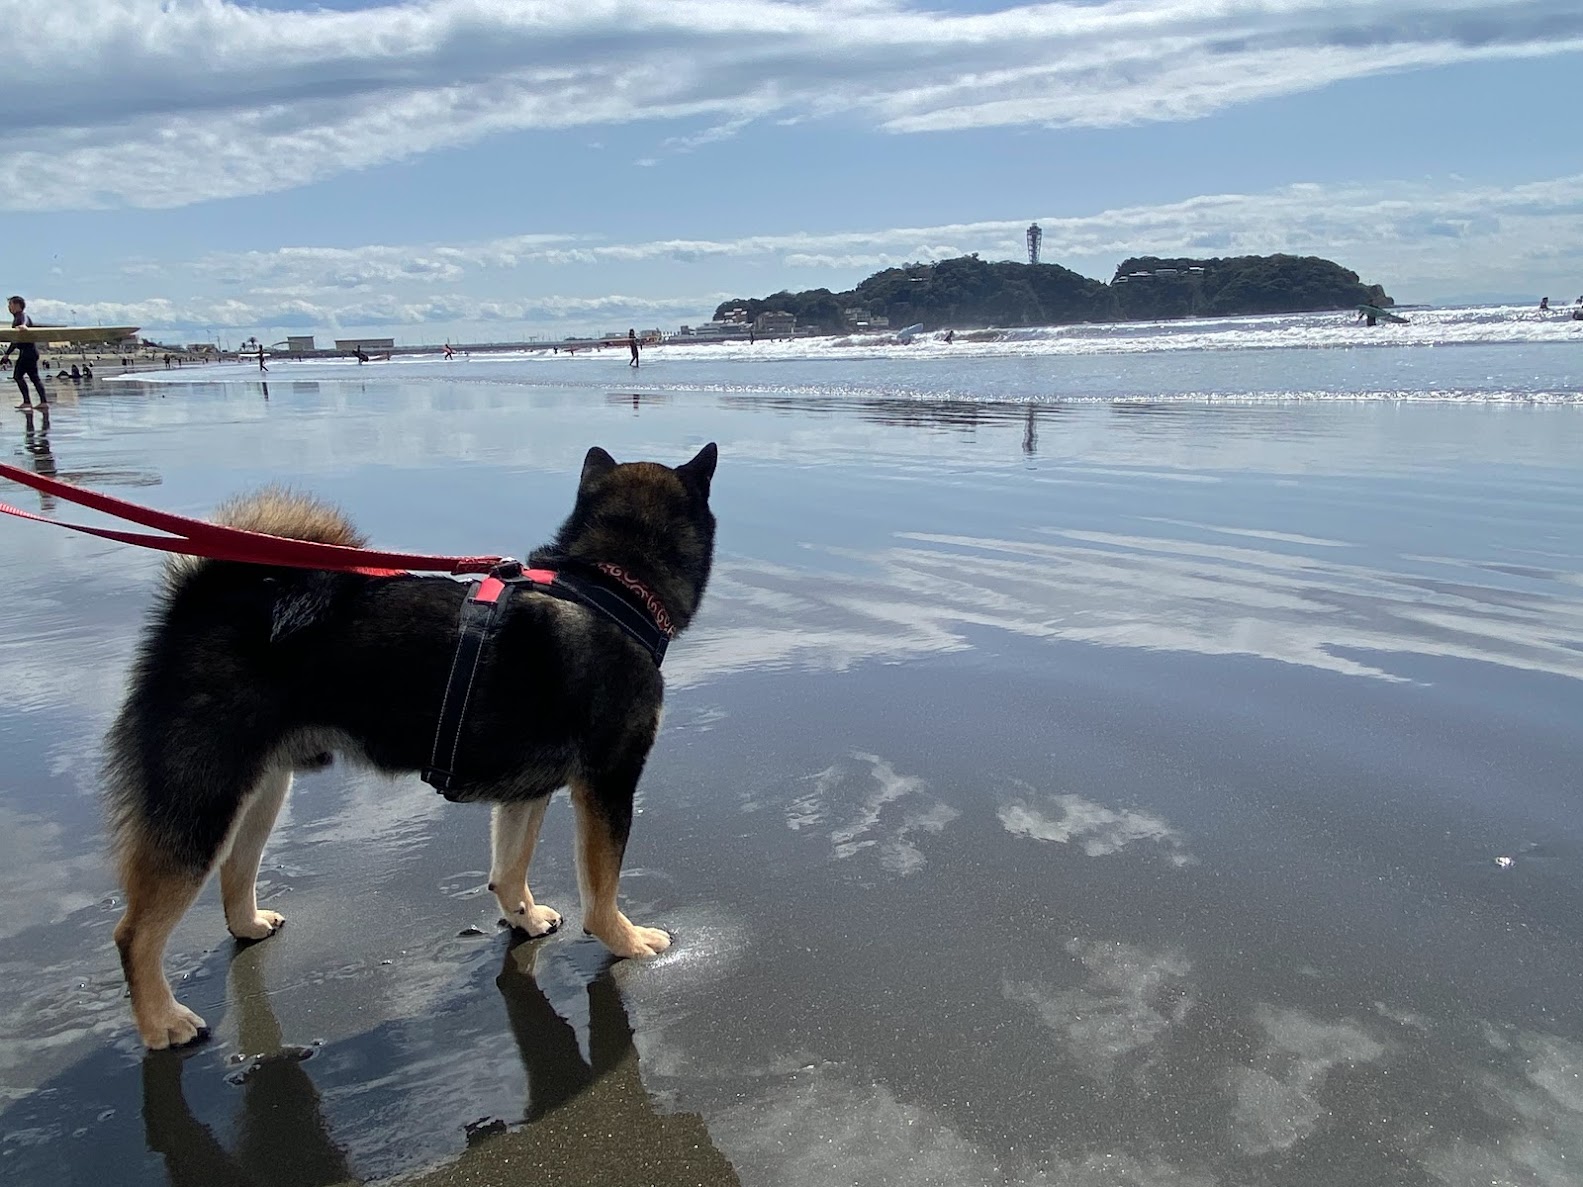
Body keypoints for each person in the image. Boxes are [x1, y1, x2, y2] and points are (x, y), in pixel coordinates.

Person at [2, 295, 48, 410]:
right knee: (34, 378)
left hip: (28, 353)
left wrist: (23, 325)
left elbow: (25, 321)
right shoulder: (16, 318)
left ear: (17, 305)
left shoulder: (21, 316)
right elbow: (15, 340)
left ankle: (28, 402)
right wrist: (7, 354)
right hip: (29, 352)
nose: (9, 307)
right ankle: (43, 402)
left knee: (18, 376)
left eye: (10, 305)